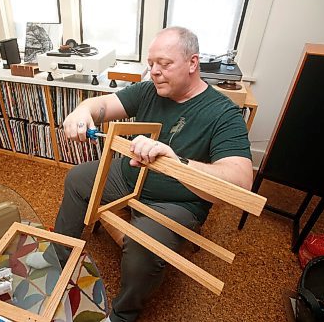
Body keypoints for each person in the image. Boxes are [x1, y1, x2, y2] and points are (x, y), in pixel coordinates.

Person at [28, 26, 253, 322]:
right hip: (129, 176)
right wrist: (83, 111)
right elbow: (102, 104)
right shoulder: (149, 90)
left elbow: (241, 181)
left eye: (165, 63)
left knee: (144, 245)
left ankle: (123, 314)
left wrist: (176, 160)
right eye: (150, 64)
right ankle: (59, 256)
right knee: (78, 178)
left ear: (193, 63)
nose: (155, 71)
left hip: (178, 202)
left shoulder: (223, 114)